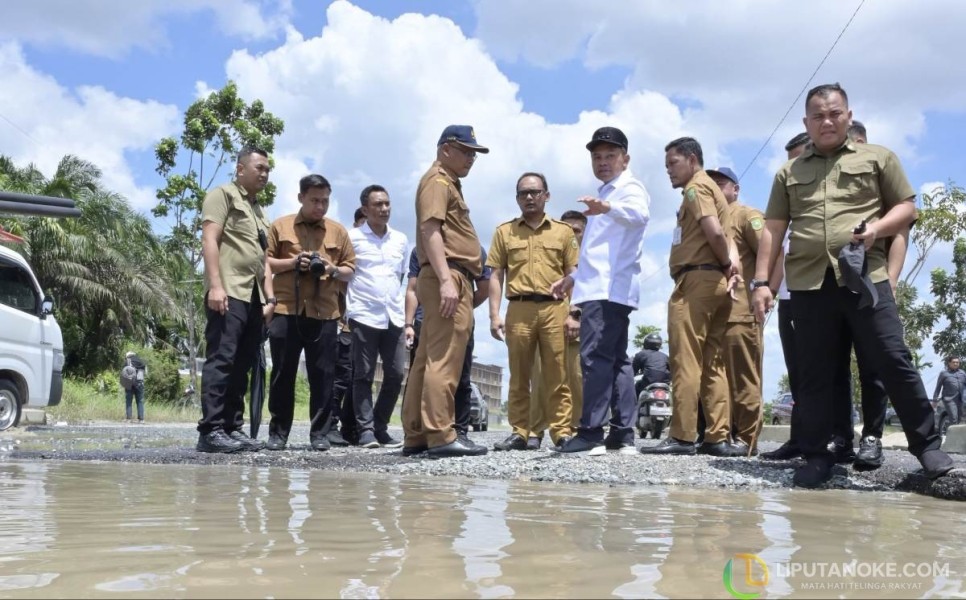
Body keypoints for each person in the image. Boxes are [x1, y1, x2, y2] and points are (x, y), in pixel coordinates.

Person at [752, 82, 955, 487]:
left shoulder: (879, 158)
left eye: (834, 113)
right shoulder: (789, 172)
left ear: (848, 115)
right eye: (817, 115)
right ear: (806, 122)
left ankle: (928, 447)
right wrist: (762, 282)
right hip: (809, 282)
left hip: (867, 279)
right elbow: (774, 229)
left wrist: (876, 228)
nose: (826, 121)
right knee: (814, 373)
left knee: (892, 359)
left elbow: (907, 207)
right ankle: (816, 454)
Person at [550, 126, 650, 455]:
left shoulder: (627, 188)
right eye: (597, 156)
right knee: (618, 361)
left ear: (626, 158)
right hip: (605, 288)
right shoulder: (606, 192)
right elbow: (599, 251)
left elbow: (640, 215)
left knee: (593, 359)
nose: (603, 161)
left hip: (607, 292)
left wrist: (607, 208)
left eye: (610, 155)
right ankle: (622, 434)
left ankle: (591, 432)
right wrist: (572, 278)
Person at [641, 137, 742, 458]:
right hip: (715, 282)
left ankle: (682, 436)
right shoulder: (714, 191)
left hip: (697, 279)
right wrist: (728, 269)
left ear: (692, 160)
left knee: (686, 359)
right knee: (713, 361)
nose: (668, 171)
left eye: (673, 163)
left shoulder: (696, 189)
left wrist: (726, 264)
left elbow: (713, 231)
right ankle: (717, 436)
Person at [402, 125, 490, 458]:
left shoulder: (445, 182)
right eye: (465, 151)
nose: (471, 158)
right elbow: (430, 230)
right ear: (445, 149)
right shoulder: (439, 182)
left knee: (426, 359)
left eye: (473, 153)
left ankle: (417, 434)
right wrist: (445, 280)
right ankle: (441, 434)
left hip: (447, 274)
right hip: (449, 273)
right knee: (445, 359)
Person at [264, 174, 356, 452]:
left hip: (325, 313)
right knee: (282, 373)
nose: (320, 206)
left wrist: (331, 269)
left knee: (323, 377)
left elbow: (351, 270)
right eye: (315, 200)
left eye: (325, 201)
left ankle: (320, 434)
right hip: (285, 309)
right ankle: (278, 433)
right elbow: (264, 262)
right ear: (301, 197)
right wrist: (293, 262)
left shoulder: (338, 232)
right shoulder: (280, 226)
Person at [487, 172, 578, 452]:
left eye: (534, 192)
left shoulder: (563, 231)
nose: (529, 197)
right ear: (517, 198)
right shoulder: (504, 232)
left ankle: (561, 432)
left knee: (557, 374)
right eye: (523, 193)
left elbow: (573, 272)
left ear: (546, 195)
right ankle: (520, 432)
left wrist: (574, 312)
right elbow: (495, 274)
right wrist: (494, 315)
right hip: (519, 308)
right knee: (519, 374)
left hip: (555, 309)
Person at [197, 146, 274, 454]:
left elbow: (263, 257)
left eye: (268, 169)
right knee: (222, 360)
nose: (265, 174)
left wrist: (270, 298)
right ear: (241, 169)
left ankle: (232, 427)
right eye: (259, 168)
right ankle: (211, 430)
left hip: (253, 296)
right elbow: (210, 239)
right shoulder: (222, 195)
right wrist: (215, 286)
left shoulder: (258, 210)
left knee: (242, 364)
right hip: (228, 290)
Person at [404, 246, 492, 447]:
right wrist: (409, 323)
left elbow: (412, 289)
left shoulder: (424, 247)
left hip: (434, 319)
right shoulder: (424, 250)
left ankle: (419, 435)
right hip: (431, 320)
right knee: (446, 375)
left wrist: (462, 304)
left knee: (431, 374)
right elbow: (412, 288)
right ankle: (445, 435)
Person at [706, 166, 765, 453]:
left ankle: (747, 439)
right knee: (718, 378)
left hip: (741, 311)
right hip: (713, 314)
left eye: (721, 184)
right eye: (711, 185)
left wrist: (766, 292)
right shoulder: (709, 219)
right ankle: (720, 436)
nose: (716, 189)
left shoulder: (746, 216)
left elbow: (770, 252)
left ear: (735, 189)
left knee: (743, 378)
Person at [346, 185, 409, 449]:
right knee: (363, 374)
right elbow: (345, 273)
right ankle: (365, 431)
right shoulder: (352, 237)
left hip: (393, 315)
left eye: (387, 204)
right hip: (363, 313)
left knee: (395, 373)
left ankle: (380, 425)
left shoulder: (401, 240)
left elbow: (401, 276)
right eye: (377, 205)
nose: (384, 209)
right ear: (364, 209)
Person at [527, 210, 587, 449]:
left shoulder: (592, 259)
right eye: (567, 229)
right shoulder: (552, 253)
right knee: (541, 377)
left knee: (576, 378)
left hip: (581, 323)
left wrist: (576, 314)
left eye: (577, 230)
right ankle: (536, 430)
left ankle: (572, 430)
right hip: (550, 321)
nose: (571, 234)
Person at [934, 357, 966, 425]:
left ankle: (956, 434)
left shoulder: (963, 373)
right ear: (949, 363)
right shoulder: (944, 374)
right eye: (953, 362)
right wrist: (934, 400)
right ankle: (954, 435)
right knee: (954, 418)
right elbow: (938, 387)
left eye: (957, 362)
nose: (955, 364)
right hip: (949, 400)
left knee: (961, 419)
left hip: (961, 400)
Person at [122, 351, 147, 423]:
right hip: (140, 383)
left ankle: (129, 419)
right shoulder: (140, 361)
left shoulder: (128, 361)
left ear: (127, 356)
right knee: (140, 400)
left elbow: (124, 372)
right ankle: (141, 419)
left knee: (129, 400)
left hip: (130, 383)